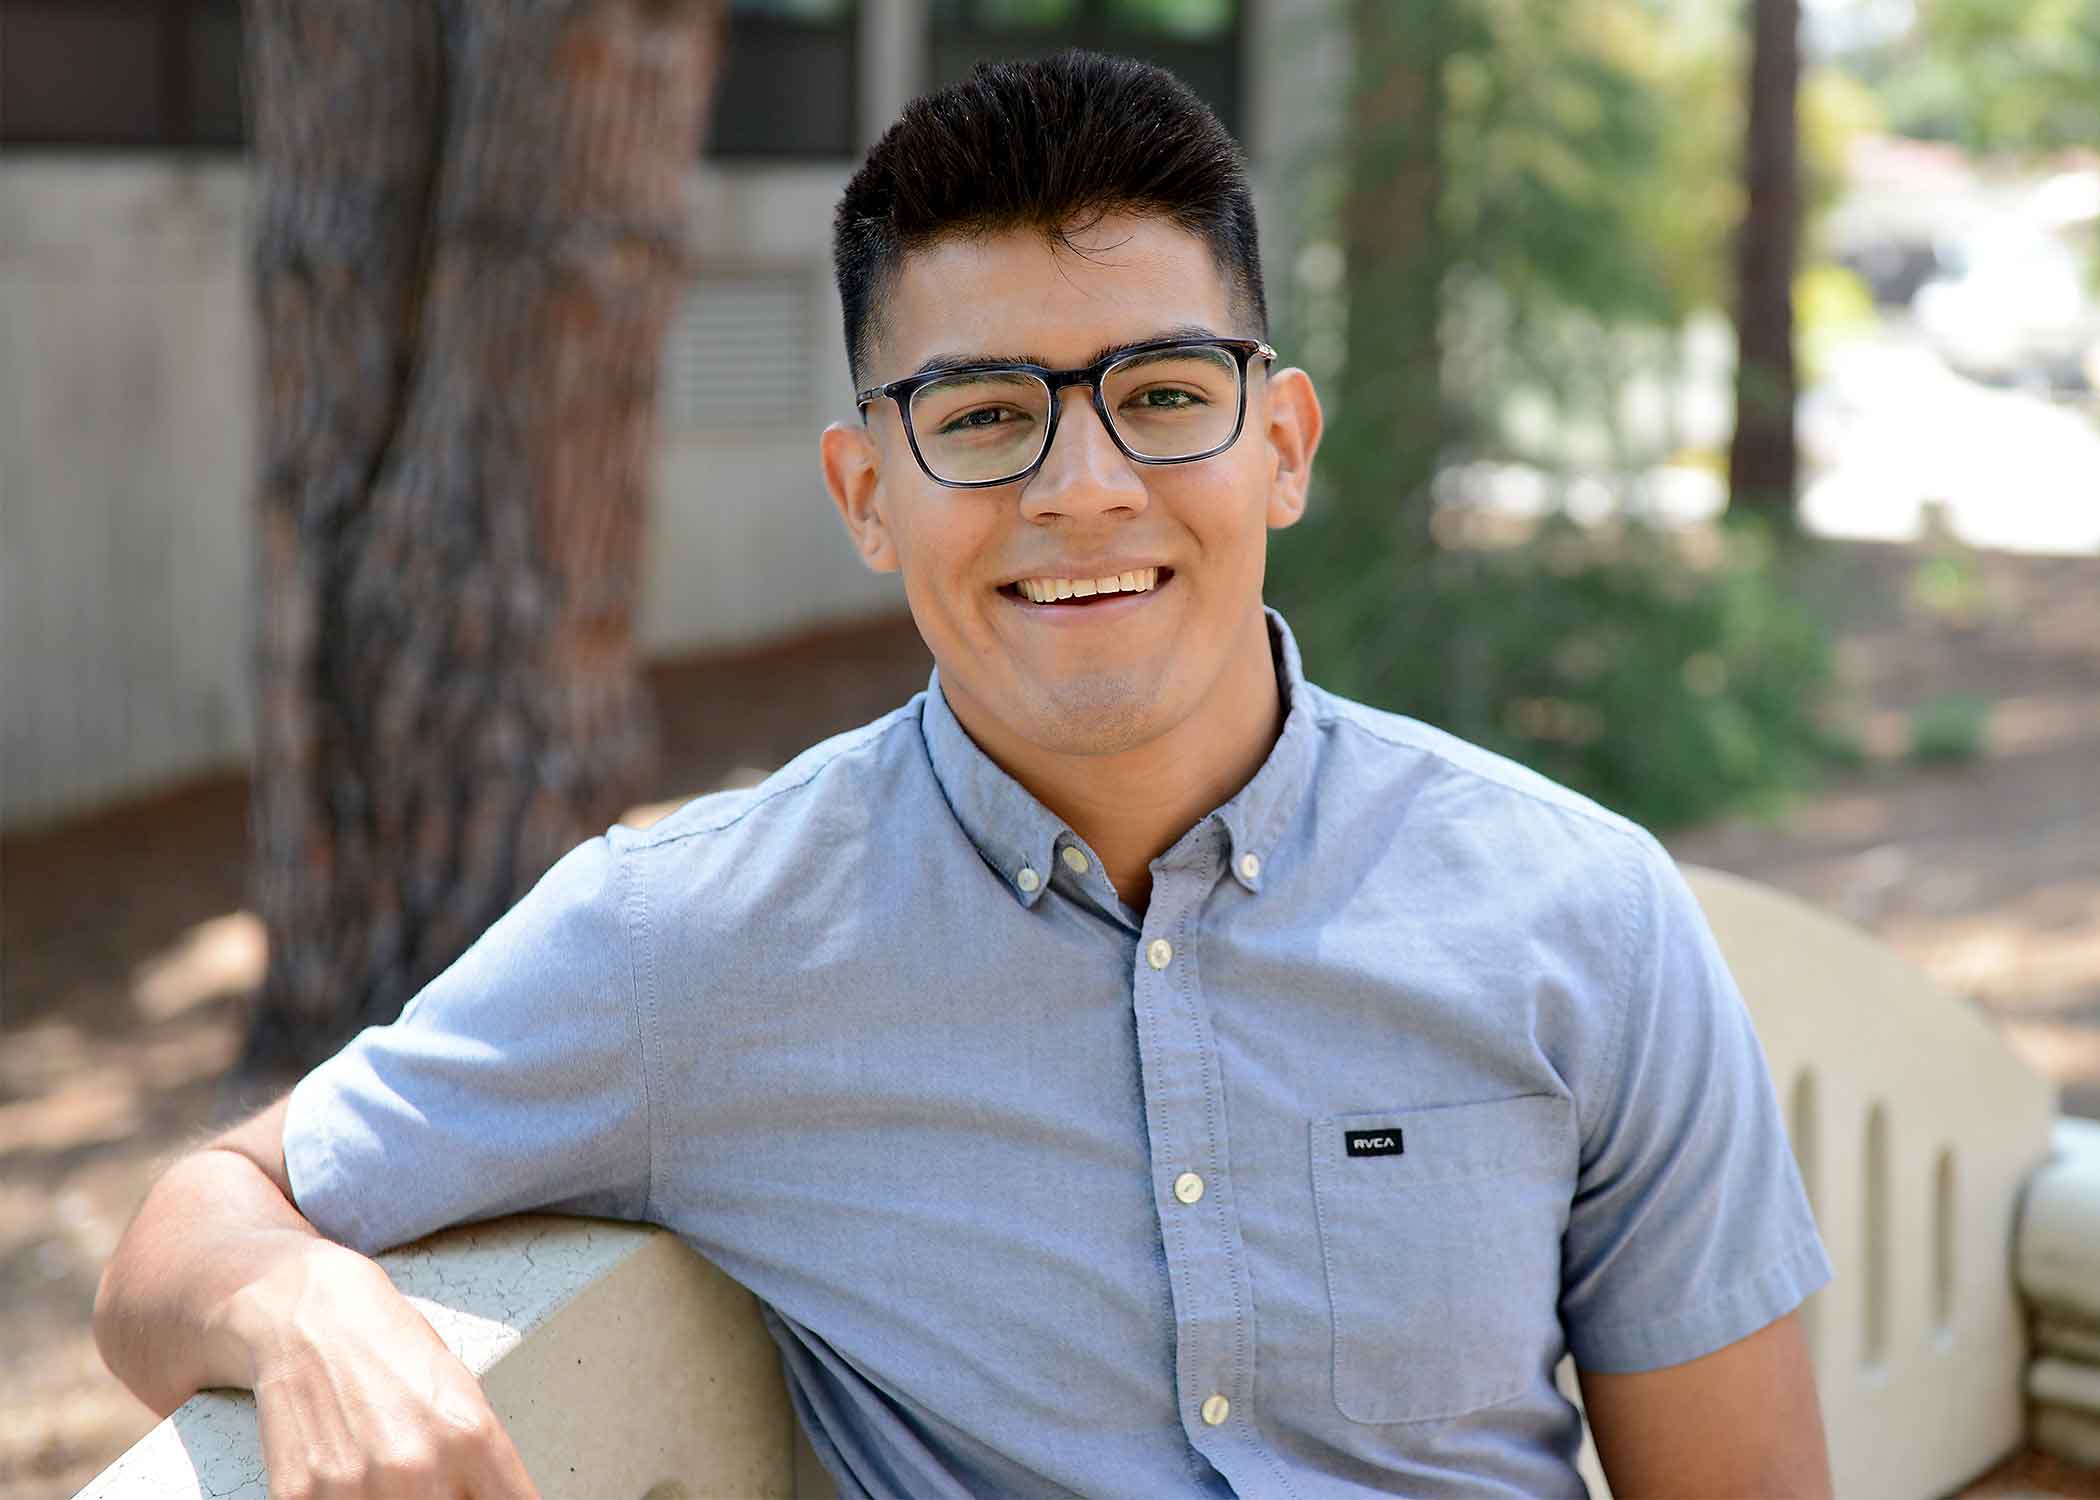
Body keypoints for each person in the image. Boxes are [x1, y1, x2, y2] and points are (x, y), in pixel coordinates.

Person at [96, 50, 1835, 1499]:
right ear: (869, 496)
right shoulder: (692, 943)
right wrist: (301, 1318)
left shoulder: (1583, 915)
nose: (1083, 486)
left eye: (1163, 392)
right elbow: (192, 1225)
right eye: (986, 415)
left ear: (1281, 445)